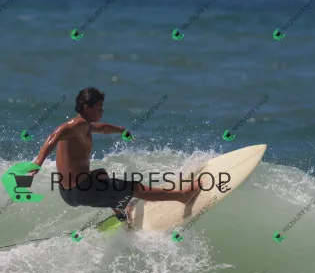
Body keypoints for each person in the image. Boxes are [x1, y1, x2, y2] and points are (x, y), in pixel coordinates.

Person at [28, 87, 202, 224]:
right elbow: (54, 135)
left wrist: (120, 130)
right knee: (135, 188)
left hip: (68, 194)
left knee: (100, 174)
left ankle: (121, 213)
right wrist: (38, 161)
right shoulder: (77, 124)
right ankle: (183, 196)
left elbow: (102, 128)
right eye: (99, 108)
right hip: (82, 191)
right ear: (87, 108)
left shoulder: (84, 126)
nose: (102, 112)